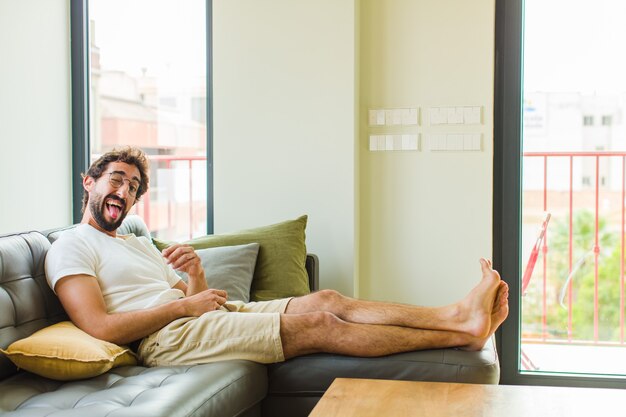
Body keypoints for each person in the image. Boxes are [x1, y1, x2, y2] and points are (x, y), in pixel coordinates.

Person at [45, 146, 509, 366]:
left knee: (328, 299)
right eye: (116, 180)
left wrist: (196, 276)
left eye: (132, 187)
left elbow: (194, 300)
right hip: (165, 341)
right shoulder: (71, 245)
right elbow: (100, 327)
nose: (124, 191)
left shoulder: (132, 240)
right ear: (89, 182)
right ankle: (456, 334)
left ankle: (455, 317)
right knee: (322, 326)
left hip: (194, 318)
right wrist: (185, 304)